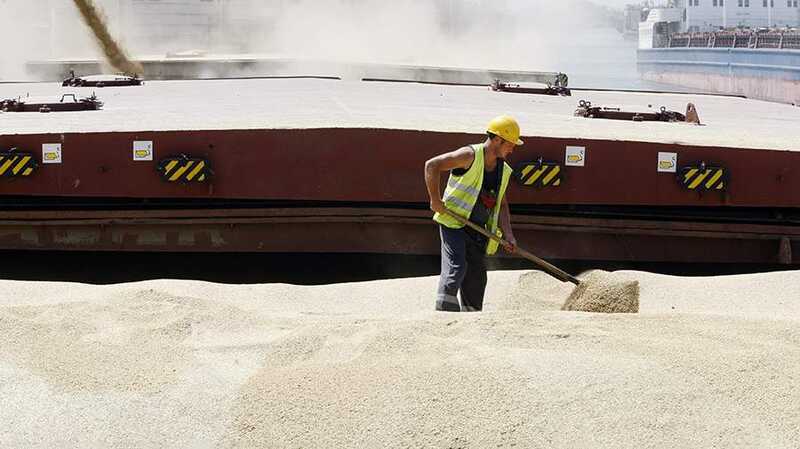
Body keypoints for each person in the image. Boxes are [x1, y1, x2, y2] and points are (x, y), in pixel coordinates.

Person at [424, 115, 523, 312]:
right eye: (510, 144)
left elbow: (502, 205)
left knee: (477, 276)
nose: (512, 149)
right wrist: (435, 200)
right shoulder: (469, 155)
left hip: (479, 230)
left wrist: (509, 234)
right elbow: (432, 165)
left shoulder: (504, 170)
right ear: (497, 139)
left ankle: (471, 320)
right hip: (454, 223)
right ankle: (444, 317)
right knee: (456, 268)